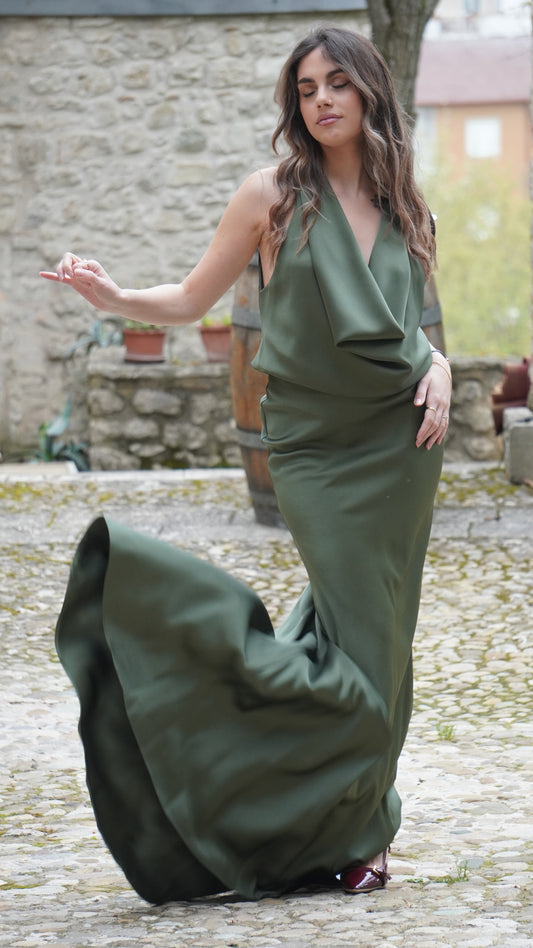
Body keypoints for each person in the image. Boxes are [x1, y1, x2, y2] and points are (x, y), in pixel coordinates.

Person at [40, 26, 452, 903]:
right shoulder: (270, 195)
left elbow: (412, 326)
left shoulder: (405, 201)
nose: (322, 100)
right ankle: (289, 798)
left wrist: (443, 369)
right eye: (306, 89)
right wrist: (114, 296)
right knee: (362, 656)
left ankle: (358, 829)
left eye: (337, 83)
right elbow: (191, 298)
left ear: (369, 92)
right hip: (314, 451)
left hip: (400, 446)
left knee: (381, 648)